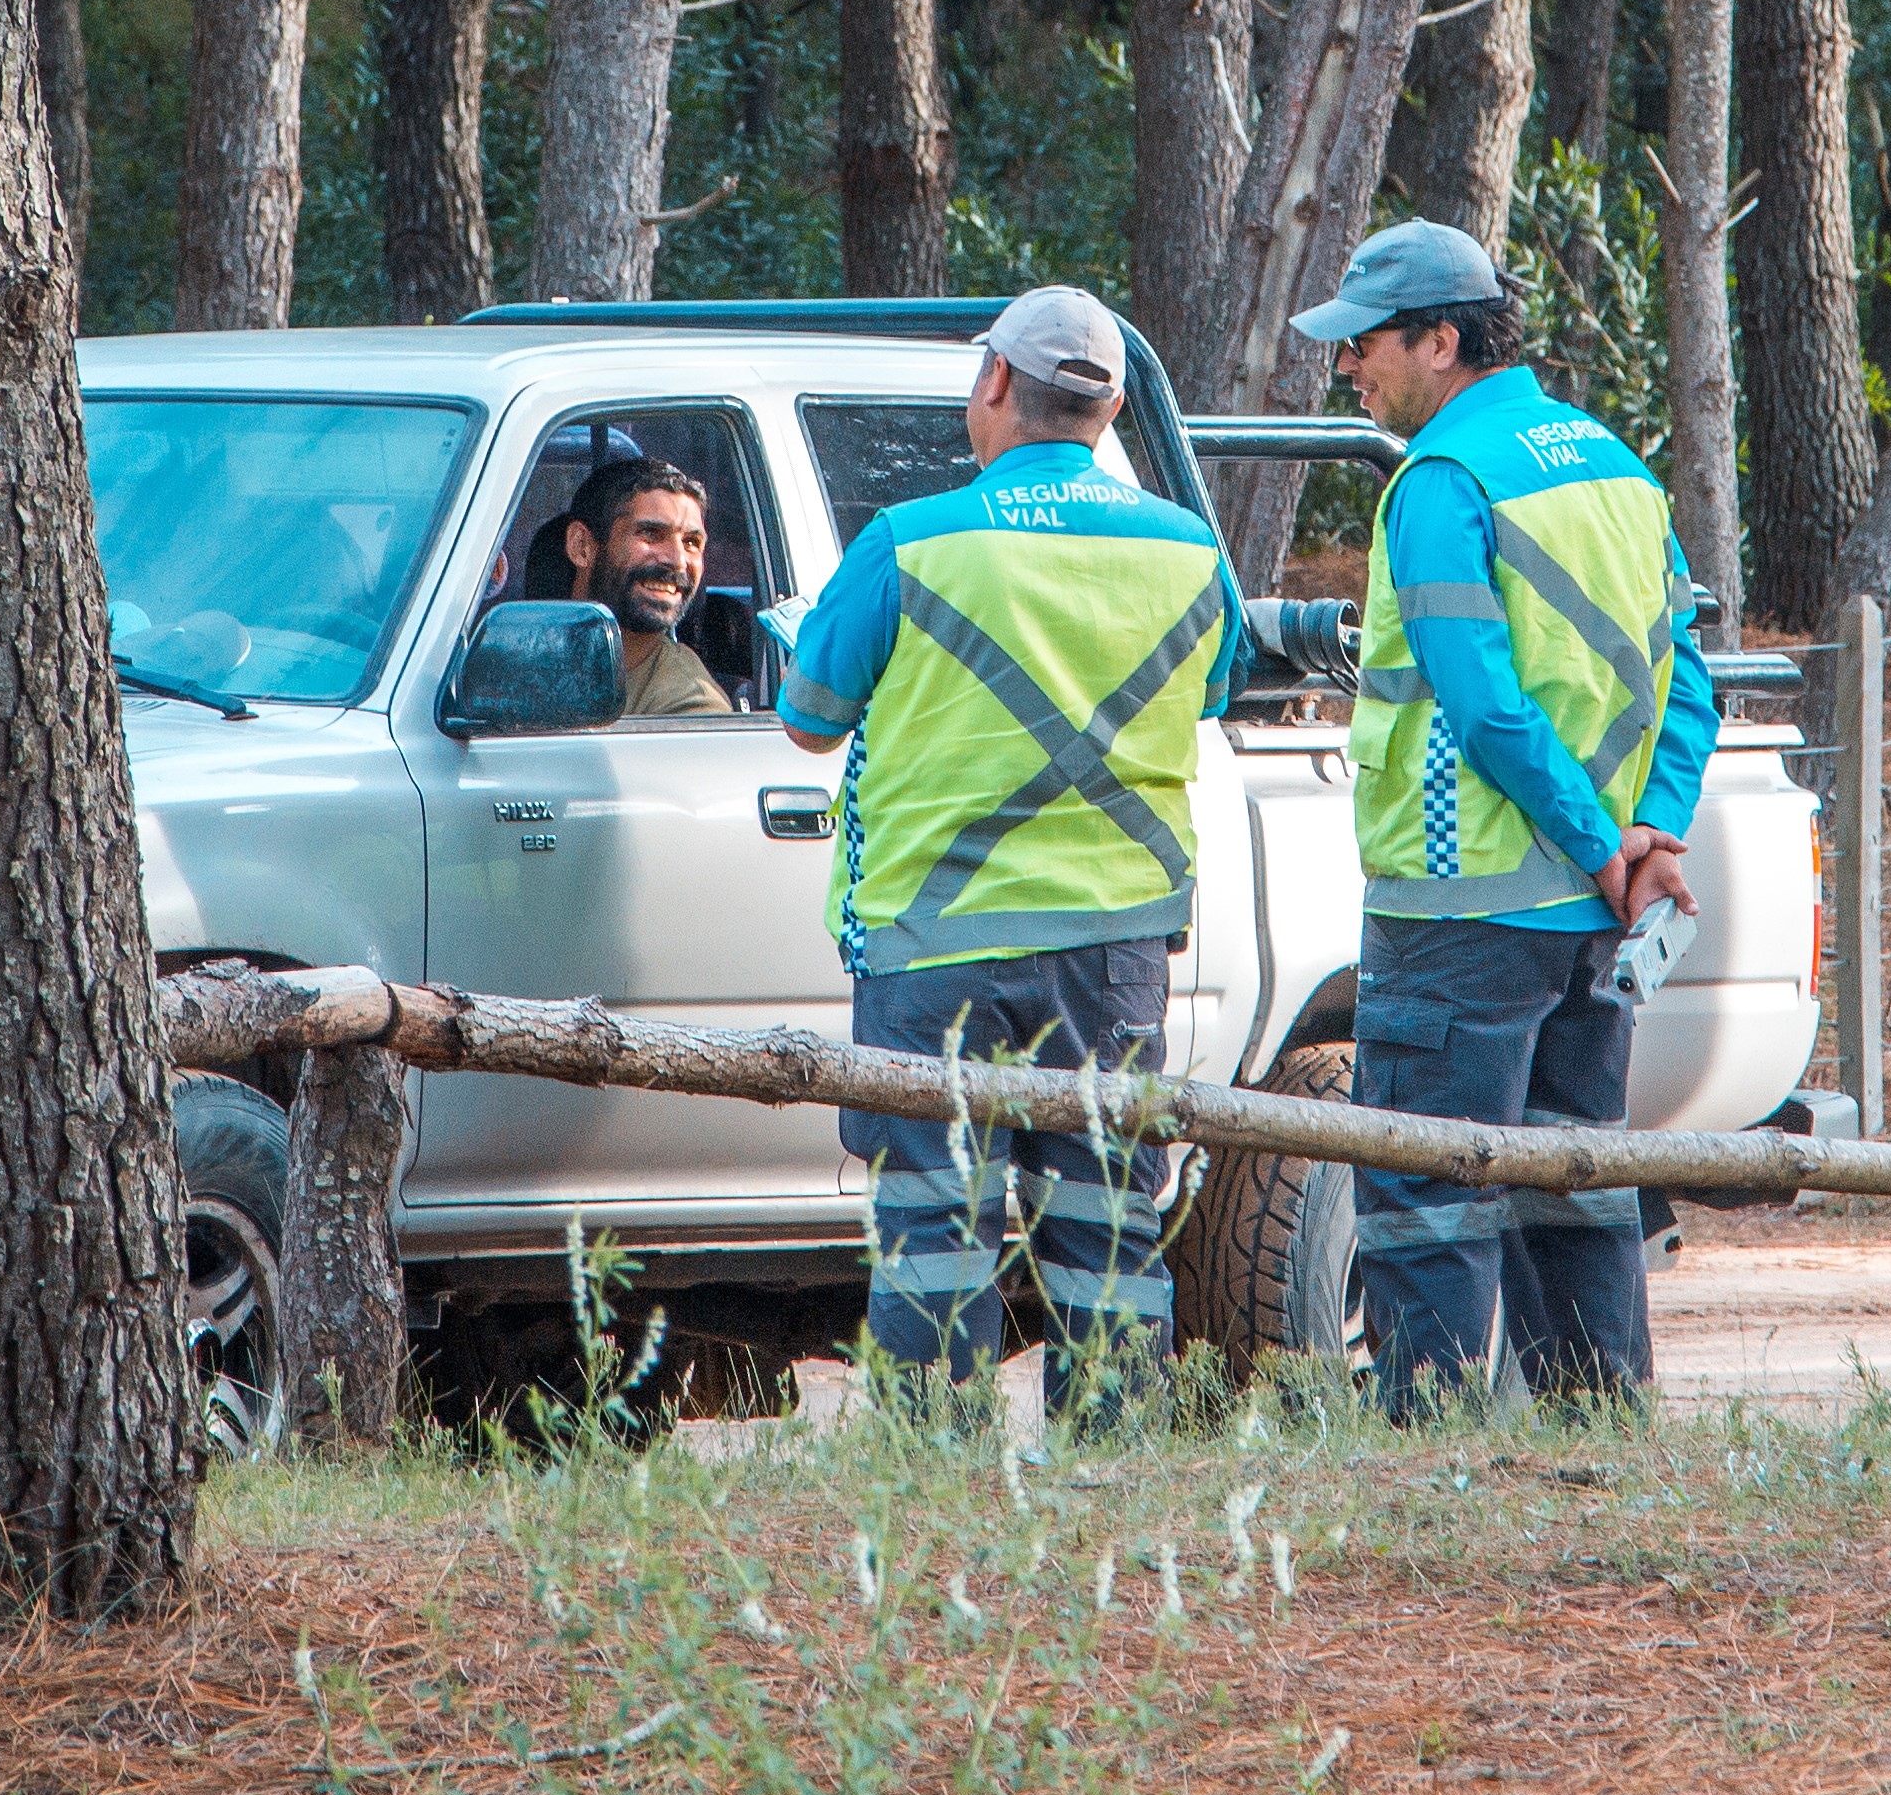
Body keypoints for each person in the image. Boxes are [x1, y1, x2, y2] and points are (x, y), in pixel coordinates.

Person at [779, 288, 1242, 1430]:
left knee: (936, 1230)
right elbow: (1217, 687)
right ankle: (1118, 1472)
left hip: (933, 952)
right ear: (1116, 406)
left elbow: (809, 715)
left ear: (994, 385)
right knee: (1110, 1230)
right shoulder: (1191, 550)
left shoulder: (909, 543)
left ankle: (939, 1483)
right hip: (1115, 952)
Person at [1289, 220, 1716, 1414]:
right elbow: (1690, 678)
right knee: (1576, 1190)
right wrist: (1647, 841)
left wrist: (1602, 846)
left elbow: (1483, 709)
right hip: (1589, 921)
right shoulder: (1615, 468)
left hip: (1461, 915)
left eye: (1362, 344)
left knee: (1429, 1201)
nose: (1346, 368)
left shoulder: (1441, 484)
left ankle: (1427, 1464)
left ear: (1441, 339)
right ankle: (1597, 1446)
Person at [556, 456, 733, 720]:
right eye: (651, 534)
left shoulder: (691, 705)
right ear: (582, 546)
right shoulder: (520, 663)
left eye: (691, 542)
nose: (677, 561)